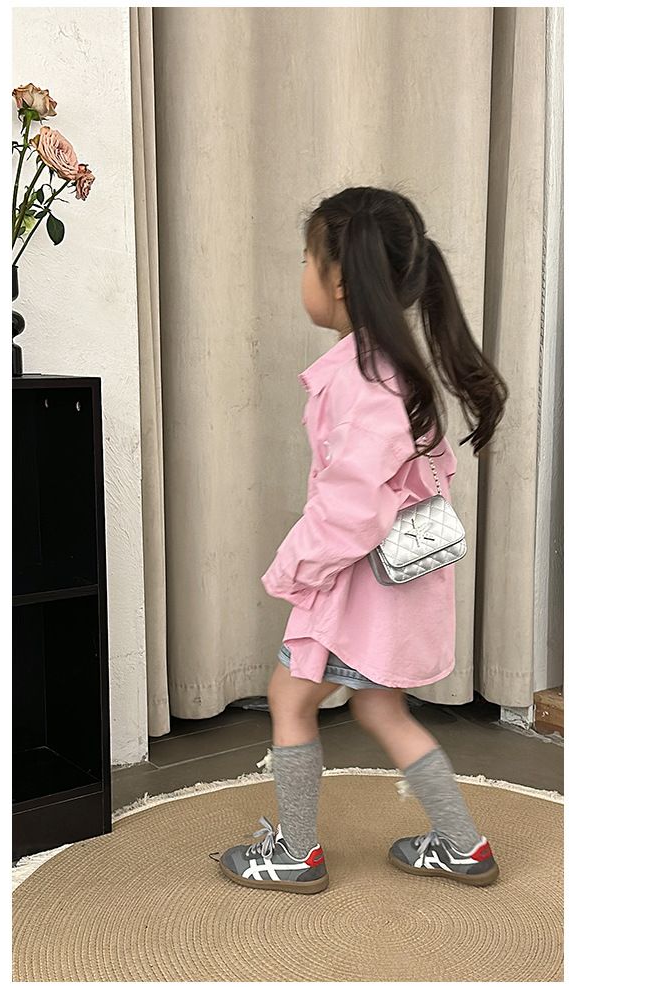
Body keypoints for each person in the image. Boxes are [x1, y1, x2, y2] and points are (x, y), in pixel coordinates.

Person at [218, 186, 508, 894]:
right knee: (380, 706)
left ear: (340, 278)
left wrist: (294, 567)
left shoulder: (363, 380)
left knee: (289, 699)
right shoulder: (393, 370)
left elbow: (350, 510)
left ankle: (297, 852)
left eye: (307, 259)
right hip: (390, 588)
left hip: (353, 590)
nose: (303, 273)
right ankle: (462, 845)